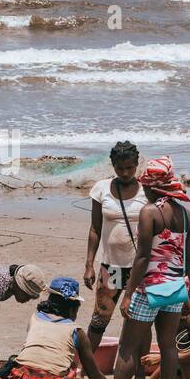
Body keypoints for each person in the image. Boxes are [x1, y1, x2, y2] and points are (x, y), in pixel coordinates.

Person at [115, 155, 190, 379]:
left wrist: (127, 294)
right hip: (174, 288)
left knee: (127, 346)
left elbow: (142, 258)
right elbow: (189, 261)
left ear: (151, 187)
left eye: (146, 186)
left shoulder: (150, 212)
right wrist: (188, 294)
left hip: (149, 289)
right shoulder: (186, 216)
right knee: (168, 346)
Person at [2, 277, 110, 379]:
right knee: (69, 363)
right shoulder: (76, 331)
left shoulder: (35, 318)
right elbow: (94, 374)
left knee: (31, 360)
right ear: (73, 309)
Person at [83, 140, 148, 352]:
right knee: (99, 320)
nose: (125, 172)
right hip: (110, 267)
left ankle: (139, 371)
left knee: (140, 323)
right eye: (120, 168)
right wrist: (89, 265)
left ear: (137, 164)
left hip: (140, 268)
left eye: (130, 167)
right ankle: (84, 368)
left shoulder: (147, 192)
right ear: (113, 165)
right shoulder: (101, 189)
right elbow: (95, 229)